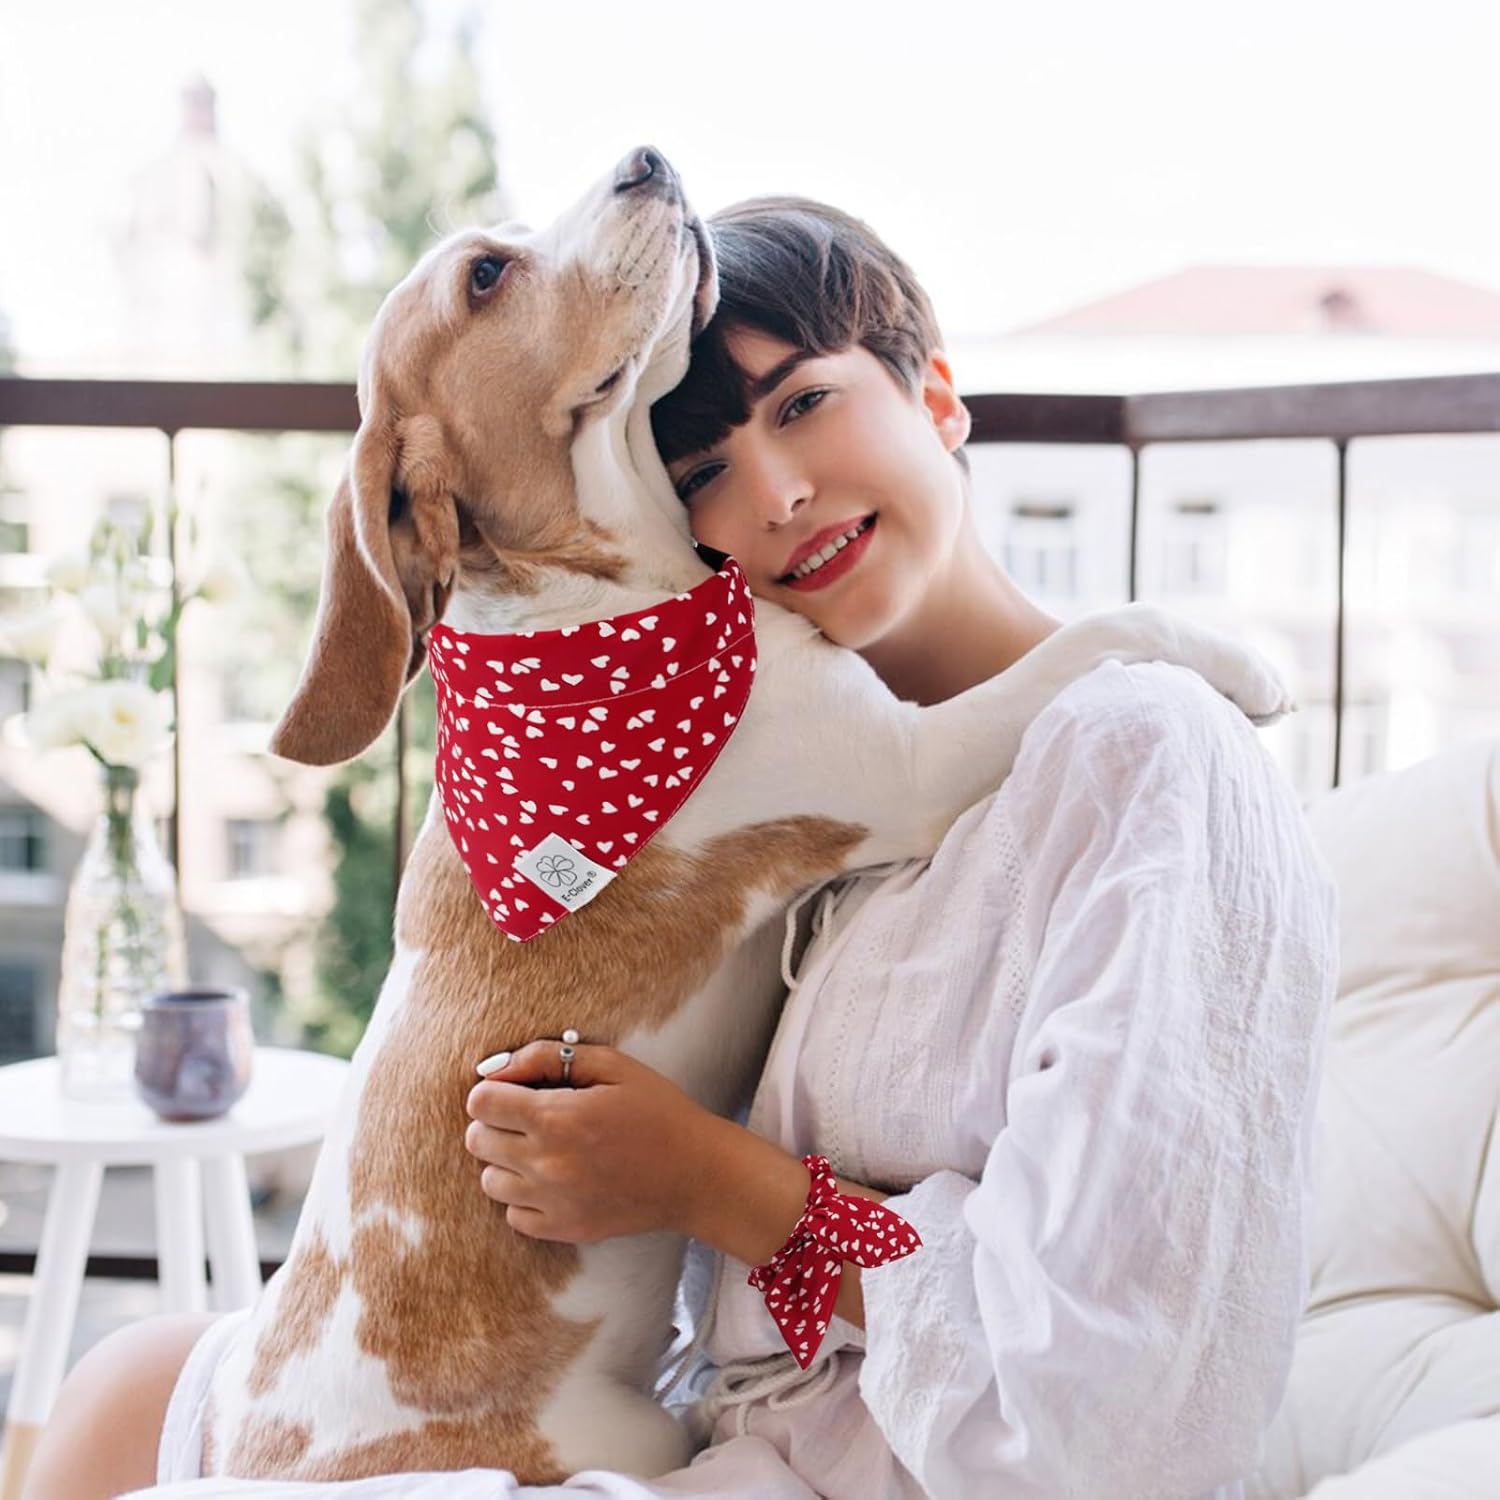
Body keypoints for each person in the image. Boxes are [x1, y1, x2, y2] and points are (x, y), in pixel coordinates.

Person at [23, 198, 1339, 1500]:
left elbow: (1115, 1406)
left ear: (938, 395)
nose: (772, 493)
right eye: (699, 471)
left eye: (806, 404)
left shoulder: (1145, 756)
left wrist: (720, 1186)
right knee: (120, 1382)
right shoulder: (747, 763)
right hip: (686, 1419)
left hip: (841, 1470)